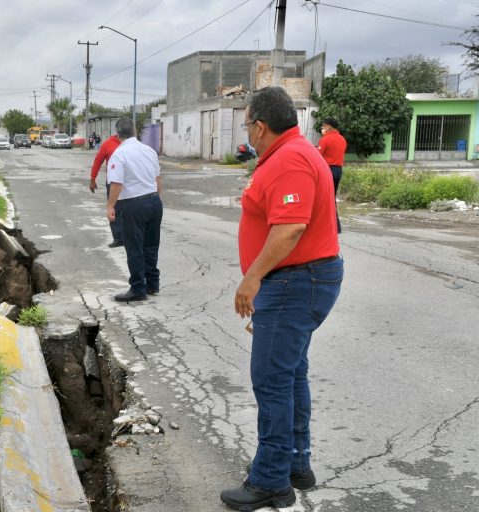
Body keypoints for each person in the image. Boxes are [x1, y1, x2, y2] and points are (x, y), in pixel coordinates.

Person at [219, 86, 343, 511]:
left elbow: (289, 229)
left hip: (294, 281)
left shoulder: (290, 160)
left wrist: (252, 280)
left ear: (260, 125)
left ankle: (271, 480)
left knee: (272, 381)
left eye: (247, 124)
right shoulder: (292, 153)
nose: (247, 133)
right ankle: (295, 465)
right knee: (290, 376)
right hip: (296, 282)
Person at [106, 118, 163, 302]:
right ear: (135, 132)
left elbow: (116, 183)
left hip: (133, 205)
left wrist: (111, 206)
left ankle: (138, 287)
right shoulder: (149, 151)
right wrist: (156, 199)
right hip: (154, 201)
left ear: (117, 134)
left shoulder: (119, 153)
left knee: (134, 247)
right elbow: (157, 179)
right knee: (151, 245)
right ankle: (152, 284)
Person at [89, 133, 124, 247]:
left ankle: (129, 236)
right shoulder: (108, 144)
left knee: (129, 210)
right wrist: (93, 179)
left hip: (129, 183)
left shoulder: (131, 143)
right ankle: (118, 238)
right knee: (113, 209)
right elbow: (98, 161)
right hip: (113, 182)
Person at [317, 117, 347, 233]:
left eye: (324, 126)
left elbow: (318, 156)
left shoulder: (325, 140)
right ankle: (335, 226)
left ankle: (332, 226)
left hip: (327, 170)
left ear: (329, 127)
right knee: (331, 197)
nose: (322, 128)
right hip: (338, 170)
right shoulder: (342, 139)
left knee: (324, 198)